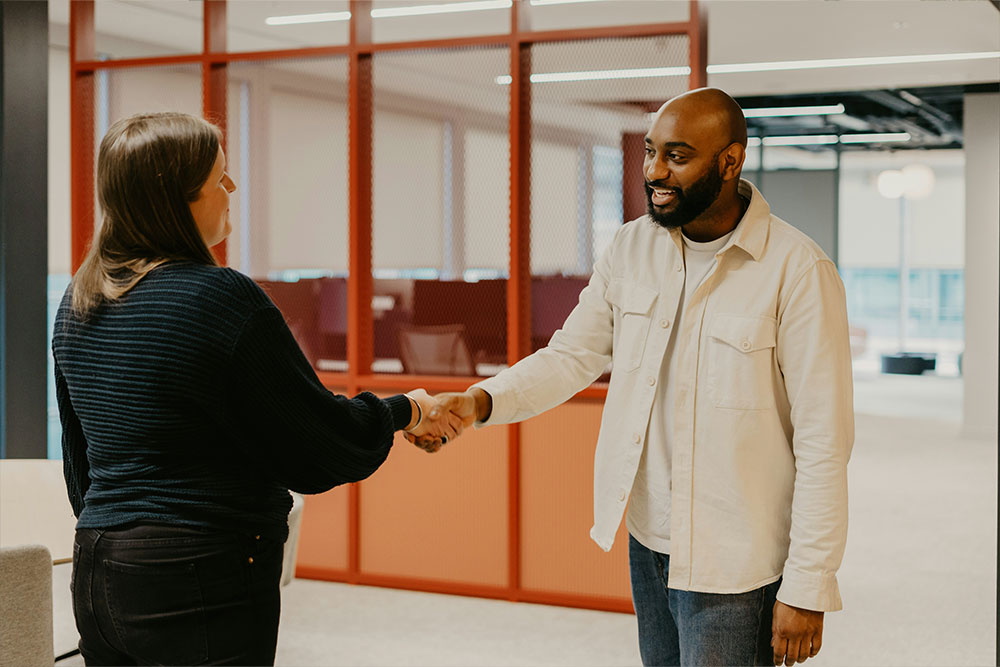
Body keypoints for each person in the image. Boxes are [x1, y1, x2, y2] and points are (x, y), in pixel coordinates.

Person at [420, 88, 854, 666]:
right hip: (649, 540)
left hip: (736, 559)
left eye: (677, 156)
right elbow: (571, 355)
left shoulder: (797, 270)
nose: (654, 172)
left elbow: (824, 441)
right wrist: (479, 401)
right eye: (650, 152)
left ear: (730, 161)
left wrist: (808, 584)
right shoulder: (631, 247)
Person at [53, 111, 461, 666]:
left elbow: (81, 463)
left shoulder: (78, 305)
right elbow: (318, 443)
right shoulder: (220, 298)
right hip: (201, 569)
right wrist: (403, 411)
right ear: (179, 198)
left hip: (99, 566)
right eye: (219, 177)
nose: (232, 188)